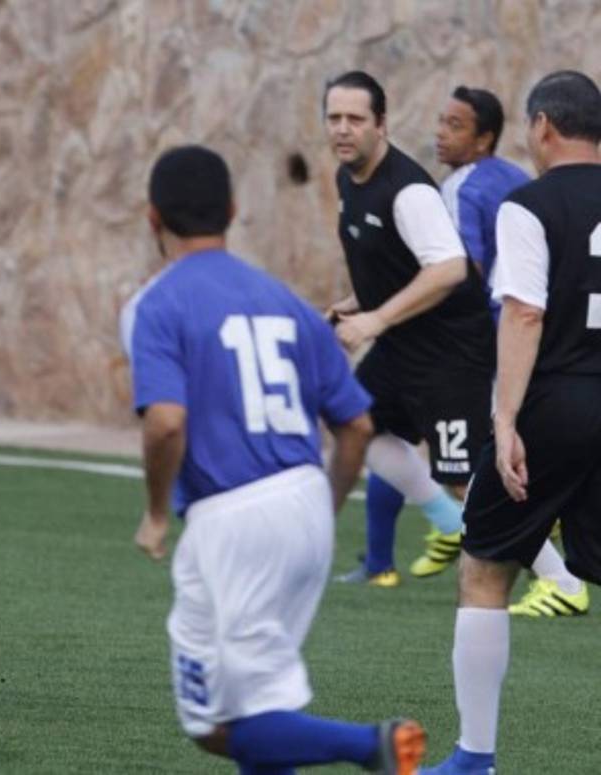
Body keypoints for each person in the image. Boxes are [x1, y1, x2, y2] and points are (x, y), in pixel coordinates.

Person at [123, 145, 424, 775]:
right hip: (303, 500)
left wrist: (155, 512)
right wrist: (323, 505)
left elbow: (166, 421)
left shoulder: (157, 303)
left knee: (212, 720)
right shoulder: (285, 301)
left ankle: (369, 745)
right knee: (253, 705)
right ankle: (358, 746)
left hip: (231, 519)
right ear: (232, 211)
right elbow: (358, 425)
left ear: (152, 218)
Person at [423, 70, 601, 775]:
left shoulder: (527, 204)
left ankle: (474, 758)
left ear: (543, 128)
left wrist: (505, 418)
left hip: (557, 401)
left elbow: (523, 312)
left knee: (486, 566)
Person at [324, 71, 496, 584]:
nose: (343, 129)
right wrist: (353, 304)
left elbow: (448, 268)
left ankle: (562, 581)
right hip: (405, 346)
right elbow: (399, 263)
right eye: (334, 117)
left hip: (450, 351)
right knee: (354, 423)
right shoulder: (347, 180)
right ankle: (445, 522)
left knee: (465, 481)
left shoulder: (409, 190)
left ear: (381, 124)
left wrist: (375, 319)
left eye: (356, 118)